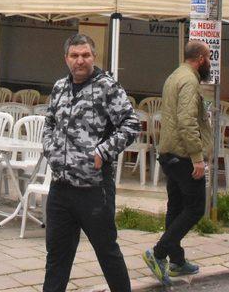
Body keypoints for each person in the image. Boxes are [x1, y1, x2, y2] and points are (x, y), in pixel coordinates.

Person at [42, 33, 139, 292]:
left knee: (107, 252)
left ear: (94, 57)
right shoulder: (59, 87)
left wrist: (103, 151)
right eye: (74, 56)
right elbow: (49, 122)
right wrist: (49, 149)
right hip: (61, 188)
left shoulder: (108, 87)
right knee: (56, 257)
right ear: (66, 59)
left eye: (85, 55)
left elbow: (131, 125)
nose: (80, 61)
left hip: (94, 189)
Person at [143, 41, 212, 286]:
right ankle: (159, 253)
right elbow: (186, 120)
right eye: (209, 58)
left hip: (169, 152)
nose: (210, 63)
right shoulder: (190, 81)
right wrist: (197, 157)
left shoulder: (175, 75)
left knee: (176, 207)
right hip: (183, 155)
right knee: (195, 208)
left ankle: (177, 261)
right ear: (201, 58)